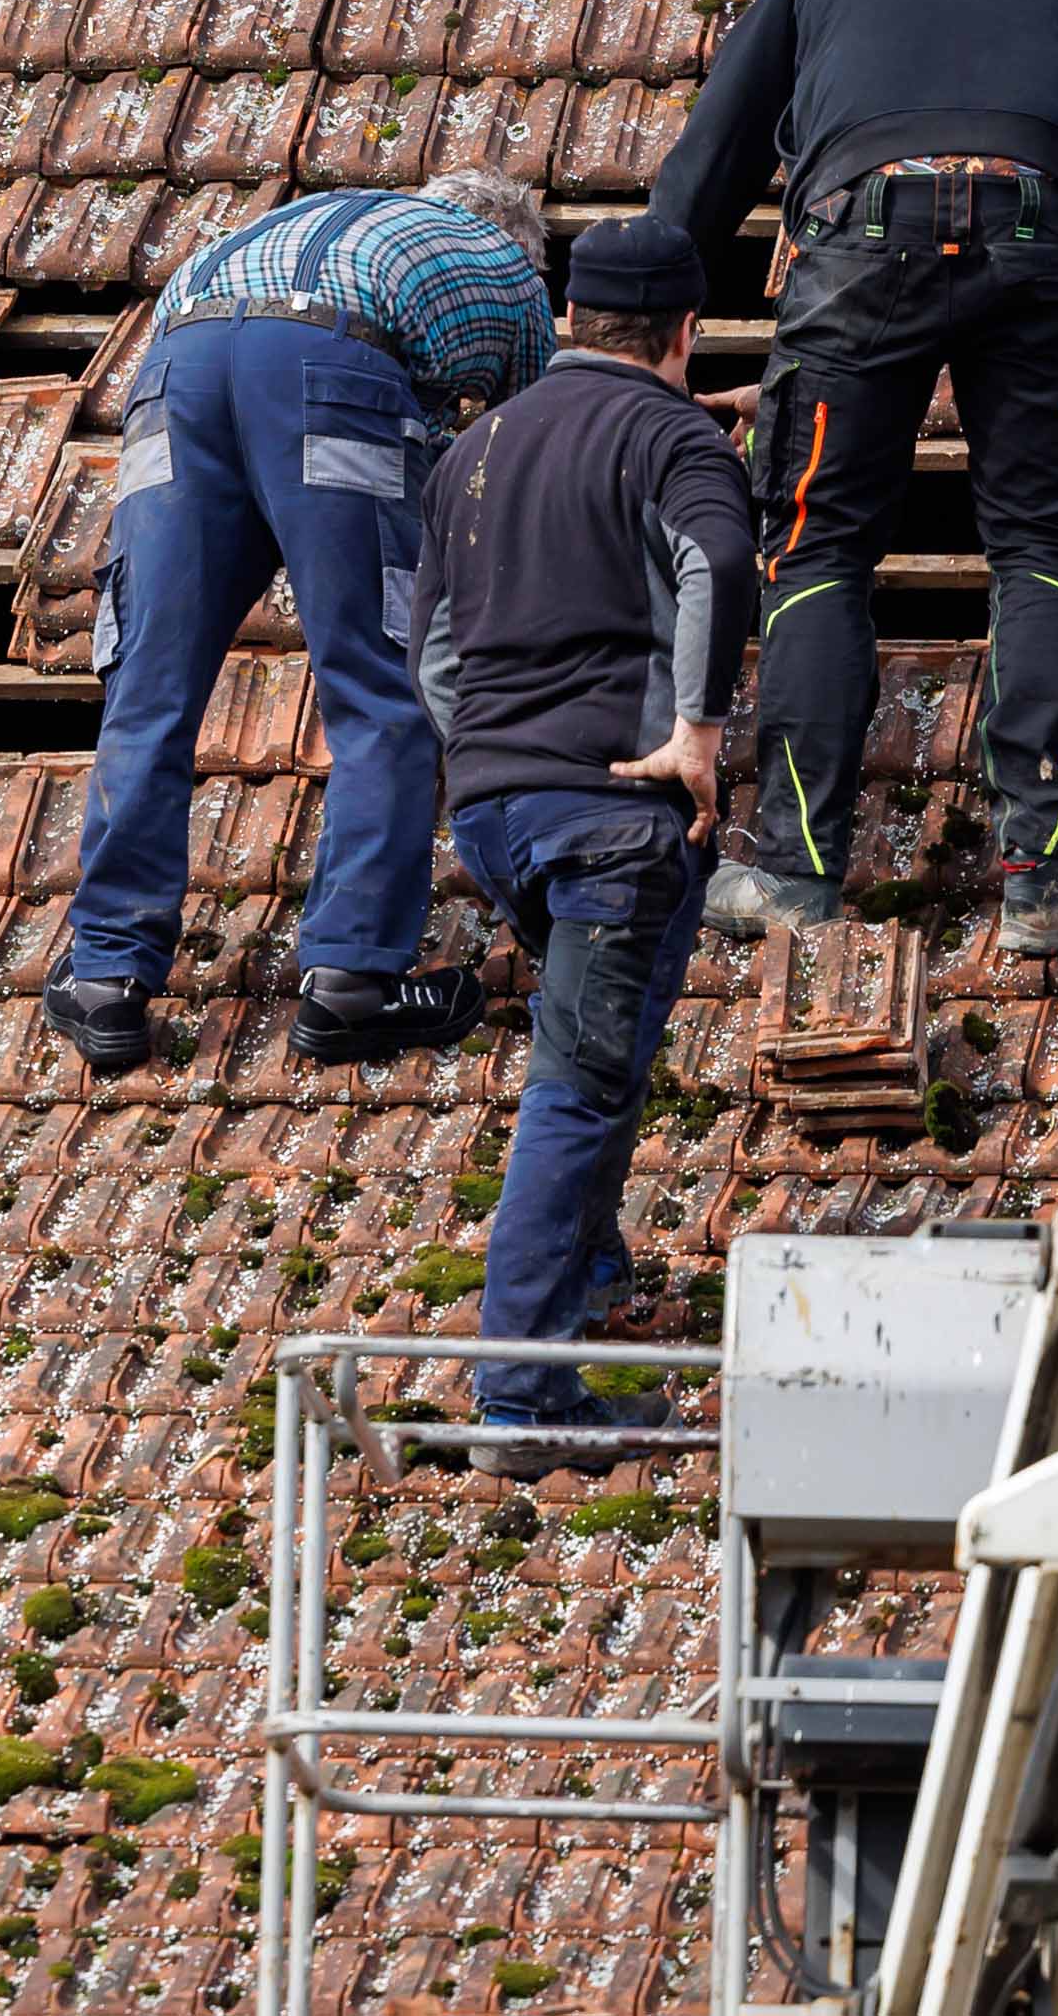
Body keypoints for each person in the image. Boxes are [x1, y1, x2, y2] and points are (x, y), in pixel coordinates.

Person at [646, 0, 1058, 959]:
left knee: (819, 546)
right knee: (1046, 547)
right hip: (1039, 243)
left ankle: (792, 873)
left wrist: (649, 330)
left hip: (869, 232)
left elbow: (718, 148)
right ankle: (1049, 877)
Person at [53, 169, 555, 1079]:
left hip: (175, 376)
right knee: (377, 688)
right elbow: (529, 449)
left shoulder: (271, 227)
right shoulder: (509, 274)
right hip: (332, 379)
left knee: (148, 689)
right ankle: (352, 983)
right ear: (515, 243)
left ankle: (103, 983)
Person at [413, 219, 756, 1469]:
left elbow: (435, 653)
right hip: (611, 816)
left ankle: (592, 1274)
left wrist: (488, 760)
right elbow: (716, 552)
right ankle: (522, 1398)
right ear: (681, 332)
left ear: (569, 322)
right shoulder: (674, 436)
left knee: (589, 1045)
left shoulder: (473, 450)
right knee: (579, 1082)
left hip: (497, 812)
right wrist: (695, 734)